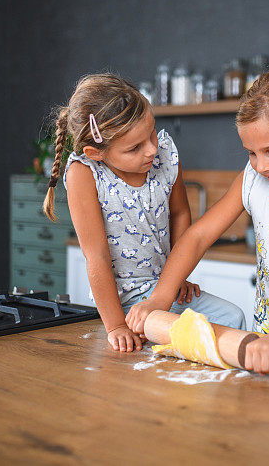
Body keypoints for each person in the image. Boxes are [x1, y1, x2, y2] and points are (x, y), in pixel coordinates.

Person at [125, 71, 269, 373]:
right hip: (266, 341)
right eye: (251, 153)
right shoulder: (253, 179)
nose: (262, 166)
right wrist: (159, 299)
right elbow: (199, 236)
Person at [43, 74, 245, 353]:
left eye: (151, 133)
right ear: (95, 153)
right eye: (135, 147)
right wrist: (115, 326)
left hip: (164, 289)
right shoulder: (84, 173)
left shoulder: (165, 154)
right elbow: (96, 256)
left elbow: (180, 213)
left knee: (232, 318)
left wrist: (177, 278)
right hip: (121, 302)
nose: (151, 149)